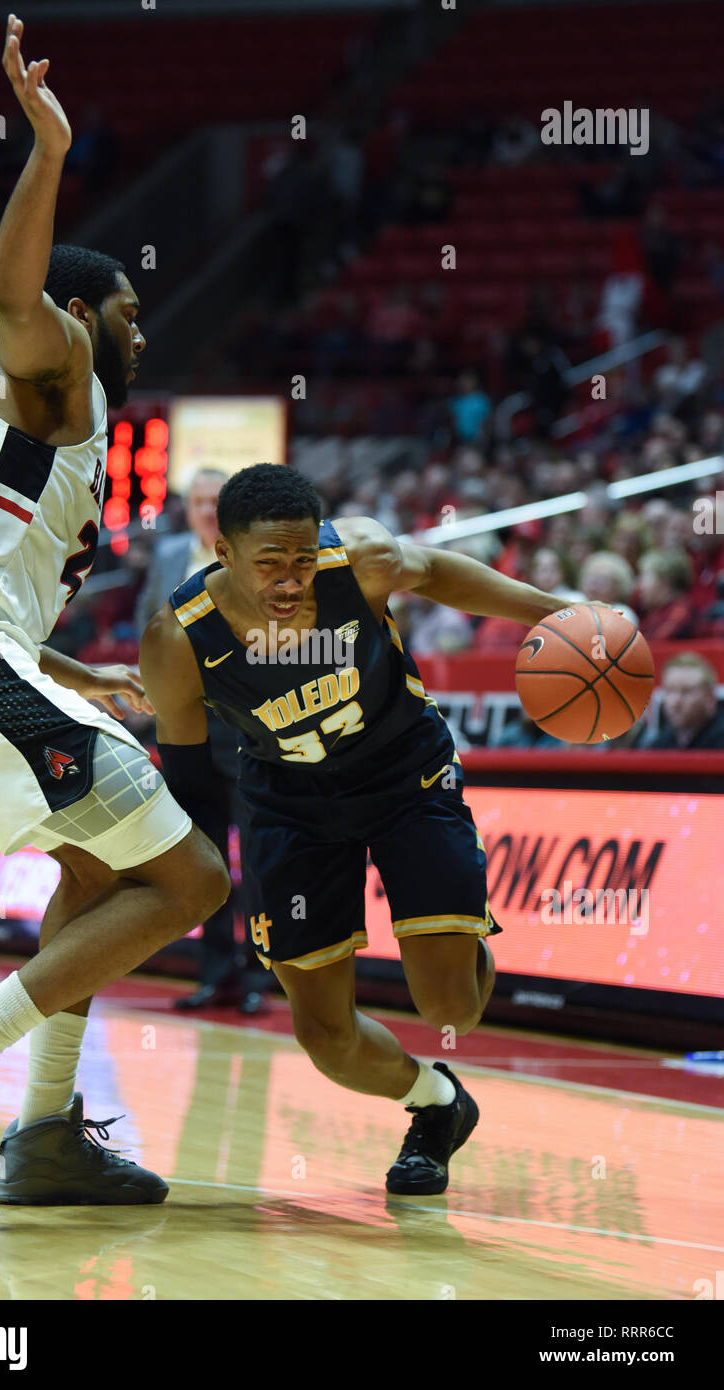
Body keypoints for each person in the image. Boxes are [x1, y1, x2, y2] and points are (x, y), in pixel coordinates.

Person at [0, 15, 230, 1226]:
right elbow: (14, 288)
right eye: (125, 309)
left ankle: (44, 1135)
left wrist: (78, 667)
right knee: (190, 879)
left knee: (100, 861)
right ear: (83, 316)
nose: (139, 328)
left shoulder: (48, 437)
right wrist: (49, 150)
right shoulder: (56, 363)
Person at [139, 463, 585, 1196]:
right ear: (224, 555)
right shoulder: (178, 641)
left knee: (449, 1007)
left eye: (303, 559)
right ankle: (437, 1105)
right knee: (326, 1040)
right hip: (289, 807)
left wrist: (554, 608)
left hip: (404, 776)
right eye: (269, 564)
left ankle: (456, 917)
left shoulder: (363, 560)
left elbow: (438, 571)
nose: (291, 580)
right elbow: (191, 783)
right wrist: (193, 879)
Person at [136, 468, 270, 1014]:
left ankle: (260, 979)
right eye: (196, 502)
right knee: (204, 858)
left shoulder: (254, 555)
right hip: (185, 726)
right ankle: (216, 973)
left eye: (215, 501)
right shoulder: (169, 558)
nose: (205, 510)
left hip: (246, 724)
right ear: (185, 508)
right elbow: (151, 627)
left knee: (258, 856)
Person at [639, 654, 724, 749]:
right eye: (670, 691)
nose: (675, 702)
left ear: (709, 697)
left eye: (687, 692)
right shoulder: (660, 743)